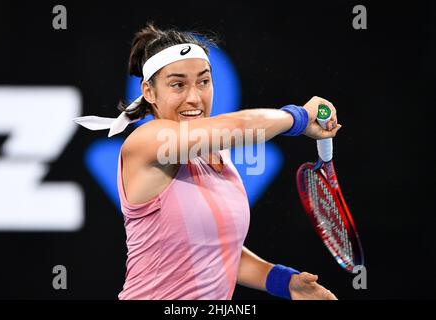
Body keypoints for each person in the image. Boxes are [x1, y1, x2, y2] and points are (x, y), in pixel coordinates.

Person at [73, 23, 340, 300]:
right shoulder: (146, 142)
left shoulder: (217, 156)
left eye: (203, 81)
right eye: (178, 84)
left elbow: (215, 250)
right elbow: (241, 125)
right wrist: (298, 118)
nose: (194, 97)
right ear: (149, 92)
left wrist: (283, 281)